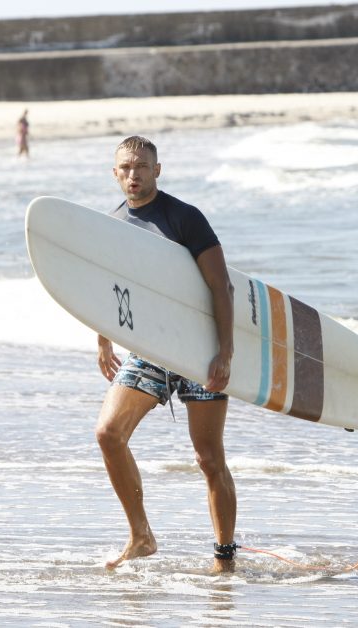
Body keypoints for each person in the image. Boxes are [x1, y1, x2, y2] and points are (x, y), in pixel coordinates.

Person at [95, 136, 238, 573]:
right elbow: (103, 287)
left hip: (198, 346)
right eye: (125, 167)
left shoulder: (184, 218)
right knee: (108, 434)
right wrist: (102, 339)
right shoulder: (113, 224)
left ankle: (224, 559)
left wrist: (225, 351)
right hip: (150, 348)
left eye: (141, 166)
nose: (133, 174)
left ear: (158, 170)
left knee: (208, 457)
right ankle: (141, 536)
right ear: (114, 173)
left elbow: (222, 286)